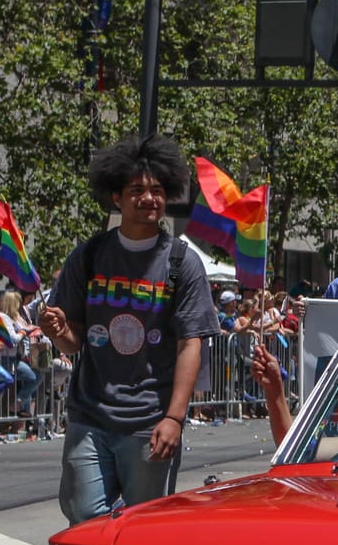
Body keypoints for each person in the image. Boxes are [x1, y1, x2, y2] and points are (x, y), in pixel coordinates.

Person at [38, 136, 221, 524]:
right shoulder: (88, 256)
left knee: (143, 526)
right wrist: (56, 330)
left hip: (150, 422)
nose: (148, 198)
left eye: (156, 190)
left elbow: (192, 343)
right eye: (136, 190)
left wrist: (174, 418)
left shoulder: (183, 263)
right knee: (85, 518)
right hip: (90, 416)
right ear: (116, 198)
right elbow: (72, 343)